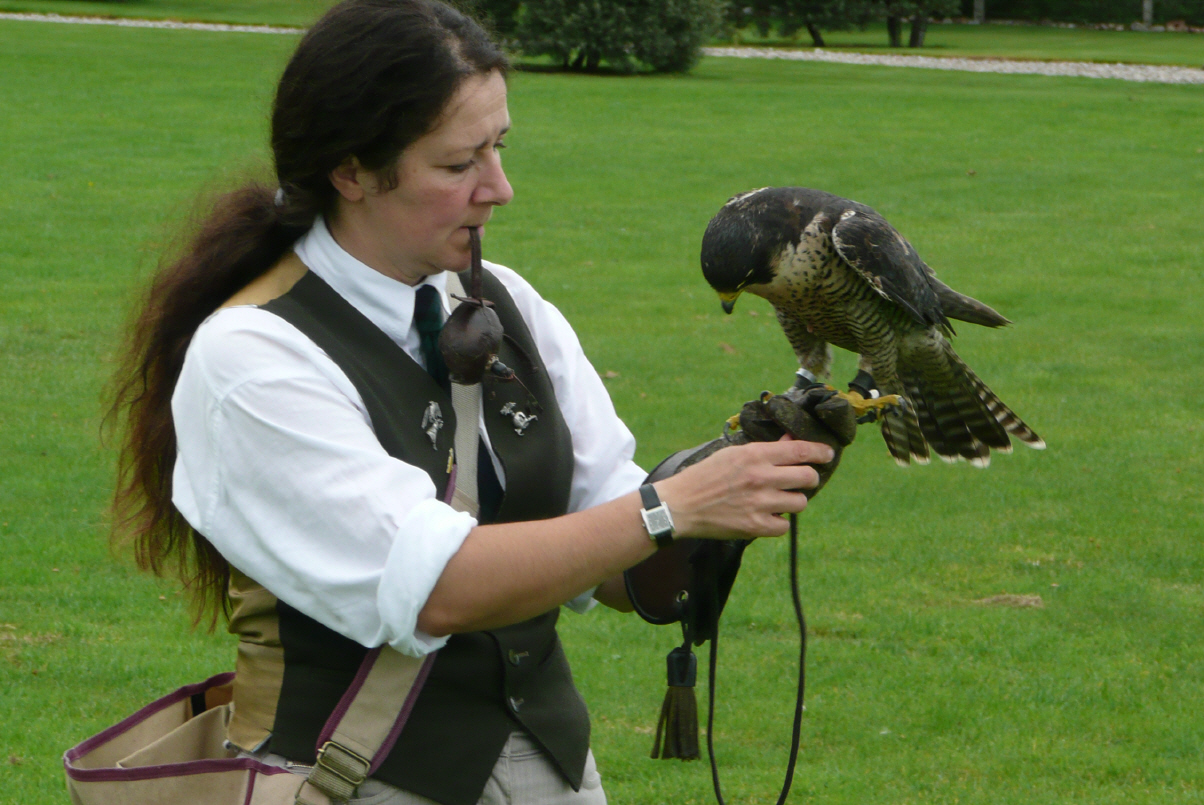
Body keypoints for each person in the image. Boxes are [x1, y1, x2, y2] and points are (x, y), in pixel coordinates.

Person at [108, 1, 838, 803]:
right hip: (346, 775)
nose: (500, 189)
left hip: (552, 767)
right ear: (351, 172)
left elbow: (623, 560)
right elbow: (433, 586)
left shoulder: (511, 304)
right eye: (459, 164)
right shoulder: (252, 354)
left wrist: (753, 464)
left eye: (500, 147)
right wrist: (674, 505)